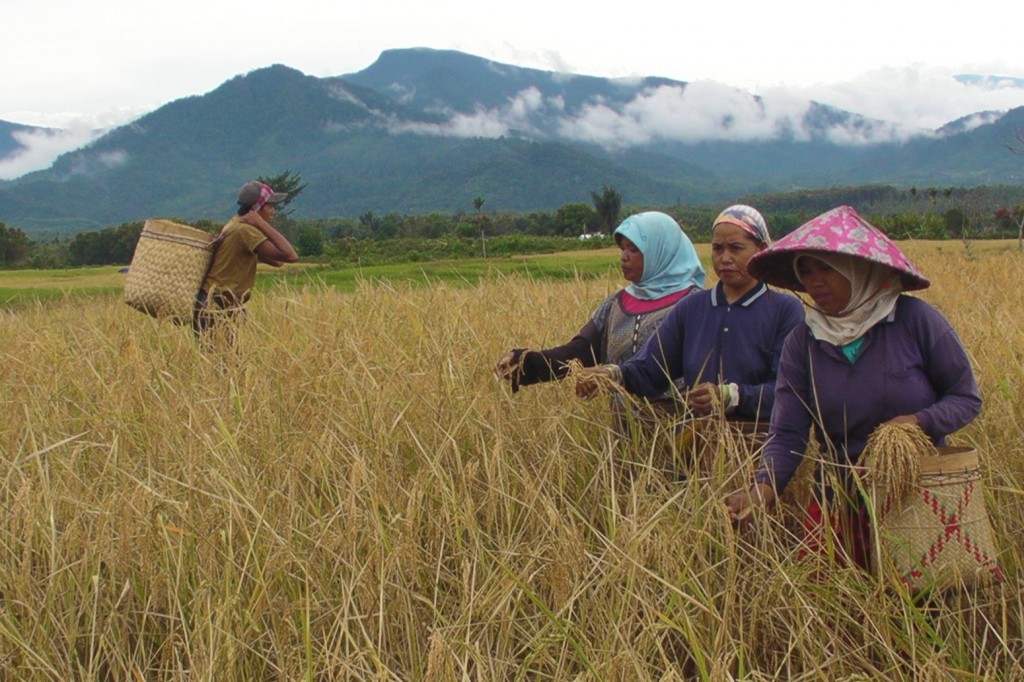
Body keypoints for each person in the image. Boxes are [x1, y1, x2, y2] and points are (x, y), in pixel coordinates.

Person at [725, 205, 982, 568]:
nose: (815, 281)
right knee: (832, 602)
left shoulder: (915, 321)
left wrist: (917, 422)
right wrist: (762, 489)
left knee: (917, 601)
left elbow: (965, 397)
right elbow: (787, 433)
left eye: (827, 268)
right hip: (838, 494)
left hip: (915, 491)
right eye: (806, 270)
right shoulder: (804, 341)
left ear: (858, 269)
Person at [575, 205, 804, 424]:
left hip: (759, 445)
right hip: (696, 443)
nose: (725, 258)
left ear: (761, 249)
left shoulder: (784, 310)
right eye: (717, 248)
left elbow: (790, 389)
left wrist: (731, 396)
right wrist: (612, 375)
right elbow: (651, 369)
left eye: (736, 248)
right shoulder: (693, 307)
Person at [494, 211, 705, 427]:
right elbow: (578, 353)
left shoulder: (696, 304)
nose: (624, 256)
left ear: (662, 251)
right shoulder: (616, 304)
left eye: (634, 249)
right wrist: (524, 362)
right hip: (624, 429)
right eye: (622, 248)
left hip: (684, 429)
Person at [193, 180, 299, 335]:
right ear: (256, 209)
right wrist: (262, 225)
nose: (273, 211)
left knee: (225, 358)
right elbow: (291, 256)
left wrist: (259, 226)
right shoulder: (245, 231)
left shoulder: (235, 224)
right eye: (270, 206)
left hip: (218, 304)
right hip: (217, 306)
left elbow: (277, 262)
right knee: (225, 358)